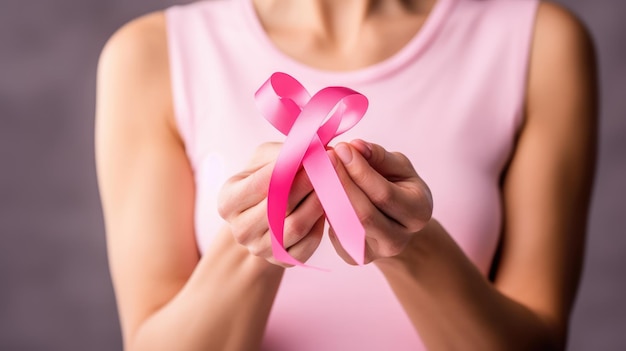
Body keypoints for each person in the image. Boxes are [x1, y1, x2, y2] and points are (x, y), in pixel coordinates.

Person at [95, 0, 597, 349]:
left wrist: (410, 244)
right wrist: (255, 245)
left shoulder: (539, 43)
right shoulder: (153, 54)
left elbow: (538, 344)